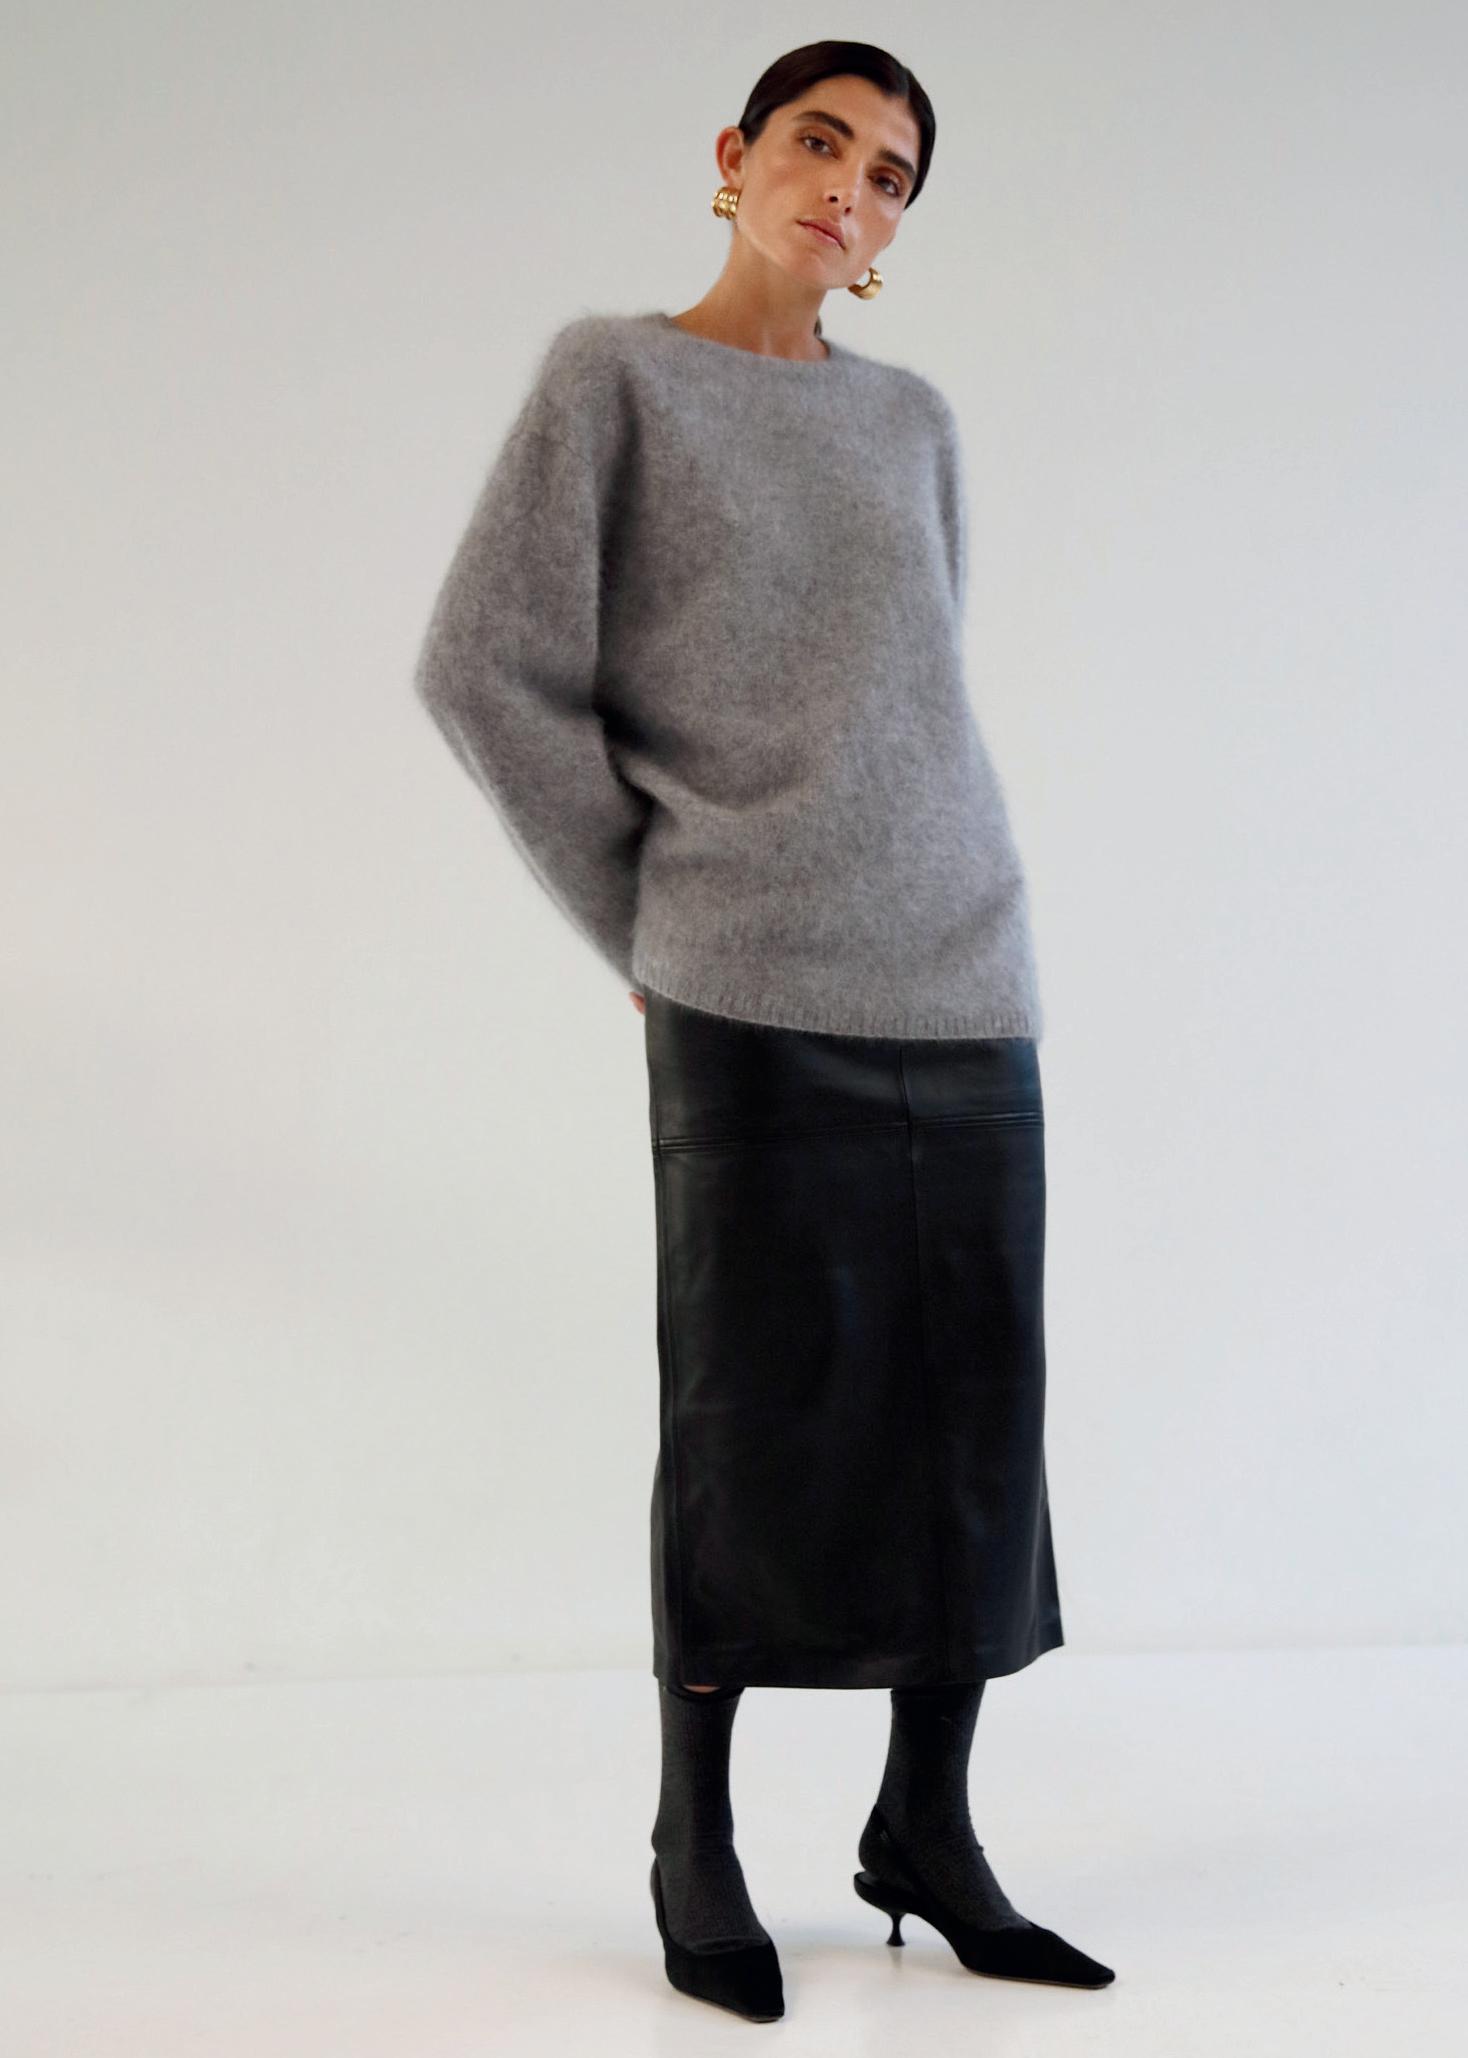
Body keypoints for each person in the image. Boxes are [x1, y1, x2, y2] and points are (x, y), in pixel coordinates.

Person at [412, 37, 1116, 2025]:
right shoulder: (612, 380)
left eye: (890, 173)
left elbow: (913, 693)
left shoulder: (911, 421)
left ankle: (927, 1828)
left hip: (964, 967)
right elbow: (485, 669)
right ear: (733, 157)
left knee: (971, 1420)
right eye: (822, 142)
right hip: (745, 980)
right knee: (751, 1418)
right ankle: (693, 1835)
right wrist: (635, 912)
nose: (850, 186)